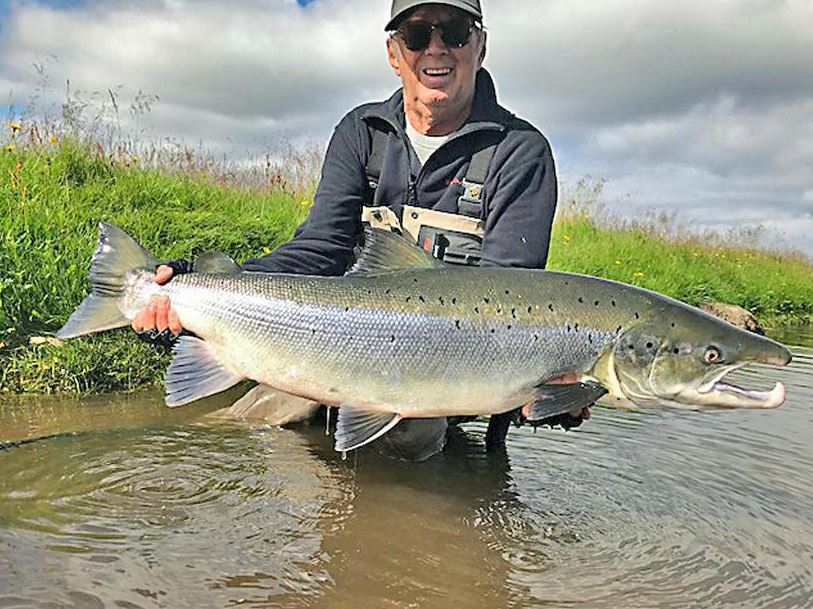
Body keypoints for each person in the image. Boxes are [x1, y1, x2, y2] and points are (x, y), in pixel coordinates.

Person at [131, 0, 589, 457]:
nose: (436, 49)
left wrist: (556, 396)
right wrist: (209, 286)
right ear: (394, 53)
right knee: (254, 430)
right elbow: (319, 248)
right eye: (416, 35)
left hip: (447, 380)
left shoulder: (520, 152)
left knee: (411, 444)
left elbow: (512, 296)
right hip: (336, 344)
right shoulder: (361, 132)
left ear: (480, 46)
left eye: (453, 31)